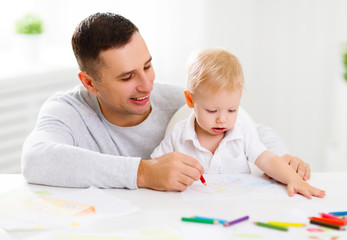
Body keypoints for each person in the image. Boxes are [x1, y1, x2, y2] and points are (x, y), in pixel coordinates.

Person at [22, 12, 310, 191]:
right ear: (89, 83)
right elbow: (36, 159)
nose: (147, 85)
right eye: (127, 78)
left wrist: (283, 158)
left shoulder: (180, 100)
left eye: (147, 66)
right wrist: (144, 173)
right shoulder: (67, 111)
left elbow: (251, 131)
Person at [151, 48, 325, 199]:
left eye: (232, 110)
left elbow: (268, 159)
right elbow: (154, 166)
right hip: (191, 208)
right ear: (190, 100)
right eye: (212, 111)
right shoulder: (178, 135)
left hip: (238, 207)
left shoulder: (241, 132)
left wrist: (293, 179)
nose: (222, 119)